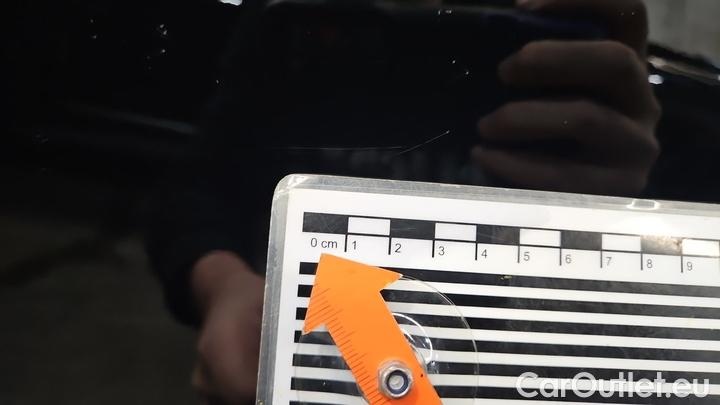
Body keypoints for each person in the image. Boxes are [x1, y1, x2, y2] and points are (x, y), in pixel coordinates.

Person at [146, 0, 661, 403]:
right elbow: (195, 188)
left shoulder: (561, 40)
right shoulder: (290, 26)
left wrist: (621, 233)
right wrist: (222, 283)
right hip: (306, 360)